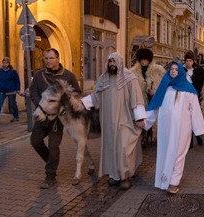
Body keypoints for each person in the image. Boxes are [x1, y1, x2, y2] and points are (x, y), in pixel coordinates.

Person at [81, 52, 146, 189]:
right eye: (110, 62)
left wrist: (139, 117)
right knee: (111, 148)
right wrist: (81, 104)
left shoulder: (129, 78)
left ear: (120, 62)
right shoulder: (103, 79)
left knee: (123, 148)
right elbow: (96, 96)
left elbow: (137, 98)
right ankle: (114, 175)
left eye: (114, 62)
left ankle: (125, 176)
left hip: (125, 119)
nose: (112, 64)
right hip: (108, 121)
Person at [144, 61, 204, 194]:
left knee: (178, 154)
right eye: (171, 69)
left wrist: (199, 129)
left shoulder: (189, 89)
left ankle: (174, 182)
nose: (173, 71)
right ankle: (164, 180)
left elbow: (195, 109)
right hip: (165, 128)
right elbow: (155, 106)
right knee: (166, 152)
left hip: (182, 128)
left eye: (176, 69)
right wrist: (146, 121)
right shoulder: (164, 87)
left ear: (180, 72)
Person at [29, 48, 81, 189]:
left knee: (53, 146)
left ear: (58, 58)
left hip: (58, 119)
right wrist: (40, 103)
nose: (48, 61)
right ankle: (51, 163)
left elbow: (76, 93)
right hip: (42, 116)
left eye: (51, 58)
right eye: (46, 58)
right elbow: (32, 90)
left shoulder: (68, 76)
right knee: (35, 141)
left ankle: (50, 176)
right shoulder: (39, 75)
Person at [130, 48, 165, 147]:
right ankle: (144, 137)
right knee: (142, 118)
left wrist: (154, 91)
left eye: (145, 59)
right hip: (140, 100)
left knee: (151, 117)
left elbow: (162, 85)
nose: (143, 61)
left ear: (149, 60)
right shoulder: (133, 72)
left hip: (152, 99)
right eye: (141, 59)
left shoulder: (157, 71)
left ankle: (150, 136)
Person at [184, 50, 204, 148]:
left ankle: (198, 136)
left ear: (193, 61)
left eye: (190, 60)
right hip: (185, 98)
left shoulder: (199, 71)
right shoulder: (182, 71)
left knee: (195, 117)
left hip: (196, 97)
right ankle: (189, 141)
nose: (188, 62)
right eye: (186, 61)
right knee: (187, 119)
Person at [0, 57, 21, 124]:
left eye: (6, 63)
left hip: (11, 90)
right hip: (2, 91)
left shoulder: (13, 71)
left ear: (8, 63)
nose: (4, 64)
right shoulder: (0, 70)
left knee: (12, 104)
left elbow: (17, 80)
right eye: (3, 62)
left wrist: (17, 89)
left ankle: (16, 116)